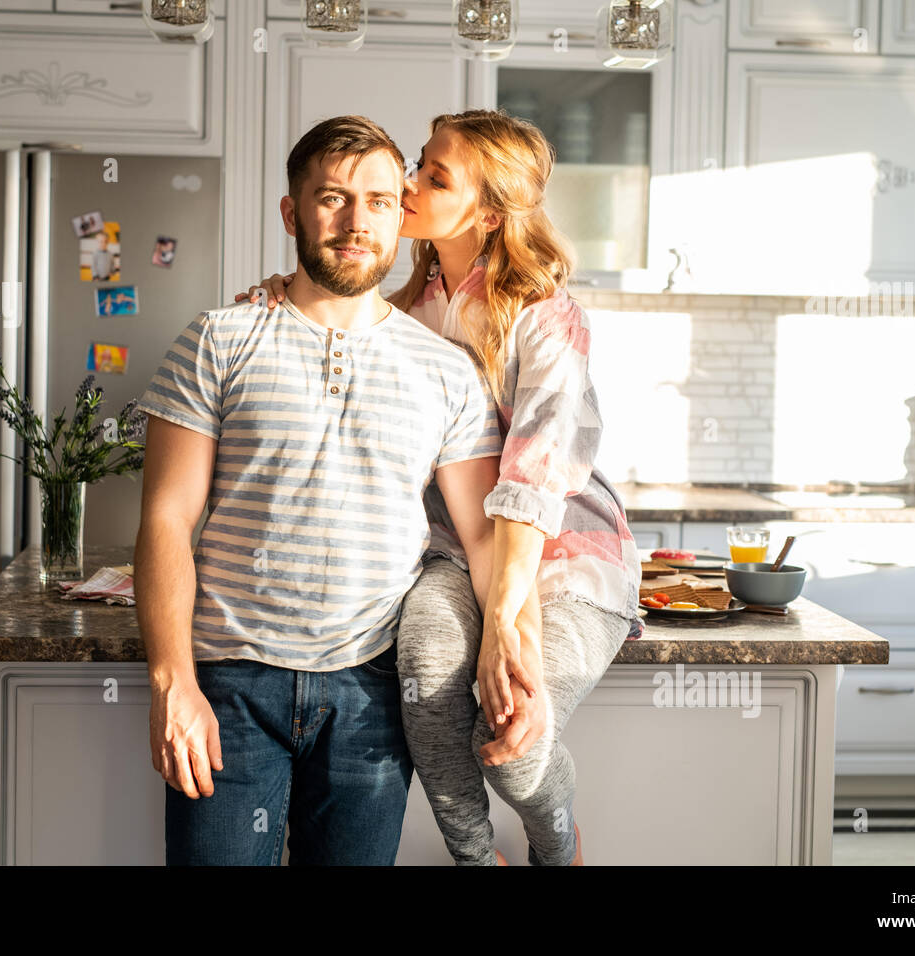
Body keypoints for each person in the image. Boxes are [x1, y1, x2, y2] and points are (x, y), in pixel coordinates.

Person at [236, 109, 645, 866]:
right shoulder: (405, 313)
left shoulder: (545, 316)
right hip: (454, 556)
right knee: (424, 680)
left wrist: (503, 628)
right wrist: (275, 302)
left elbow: (532, 479)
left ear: (488, 213)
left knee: (515, 729)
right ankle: (472, 856)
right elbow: (330, 327)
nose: (411, 181)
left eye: (435, 175)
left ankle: (557, 846)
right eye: (420, 163)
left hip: (563, 558)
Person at [132, 114, 516, 866]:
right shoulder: (218, 338)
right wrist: (172, 682)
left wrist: (509, 650)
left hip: (373, 690)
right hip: (229, 685)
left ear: (400, 214)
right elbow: (166, 520)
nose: (355, 221)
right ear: (291, 212)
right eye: (332, 198)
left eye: (377, 200)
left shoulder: (445, 369)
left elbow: (481, 537)